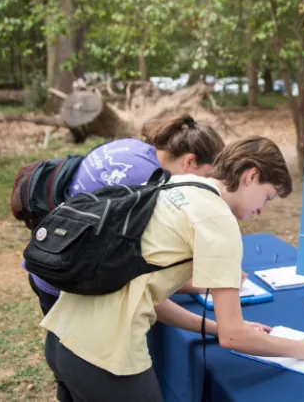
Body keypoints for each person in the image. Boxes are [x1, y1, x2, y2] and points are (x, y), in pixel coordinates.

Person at [40, 135, 304, 401]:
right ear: (251, 176)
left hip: (61, 339)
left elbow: (144, 293)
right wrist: (299, 348)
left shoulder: (180, 183)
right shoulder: (218, 220)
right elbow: (234, 336)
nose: (261, 211)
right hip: (106, 360)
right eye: (267, 197)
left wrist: (213, 328)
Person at [27, 113, 226, 316]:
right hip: (68, 280)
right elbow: (133, 272)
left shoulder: (134, 147)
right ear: (190, 161)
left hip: (49, 253)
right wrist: (206, 284)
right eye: (207, 176)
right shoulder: (147, 181)